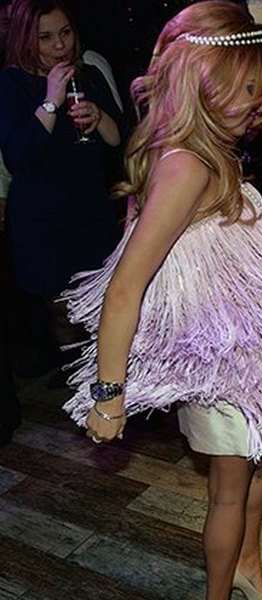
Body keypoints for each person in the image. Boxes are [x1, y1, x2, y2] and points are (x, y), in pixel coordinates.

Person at [60, 2, 262, 599]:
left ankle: (247, 565)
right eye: (249, 89)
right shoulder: (188, 165)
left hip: (245, 346)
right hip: (216, 359)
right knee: (229, 488)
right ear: (203, 78)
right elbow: (126, 286)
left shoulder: (203, 150)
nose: (259, 105)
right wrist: (108, 396)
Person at [0, 0, 123, 378]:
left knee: (106, 301)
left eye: (65, 33)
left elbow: (119, 141)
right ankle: (80, 383)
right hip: (42, 217)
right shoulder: (11, 84)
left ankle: (108, 381)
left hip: (89, 207)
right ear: (25, 39)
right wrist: (51, 101)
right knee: (61, 308)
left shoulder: (88, 74)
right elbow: (20, 157)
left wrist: (99, 117)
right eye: (46, 37)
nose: (59, 45)